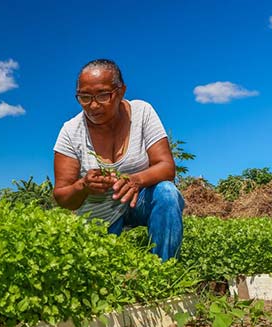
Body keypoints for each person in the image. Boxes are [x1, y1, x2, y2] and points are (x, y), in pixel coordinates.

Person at [52, 59, 184, 262]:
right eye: (84, 97)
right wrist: (83, 186)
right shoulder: (71, 131)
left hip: (138, 200)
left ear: (121, 91)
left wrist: (135, 180)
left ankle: (163, 271)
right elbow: (62, 195)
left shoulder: (142, 113)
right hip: (99, 212)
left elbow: (166, 167)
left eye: (103, 95)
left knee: (167, 193)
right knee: (102, 270)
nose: (93, 105)